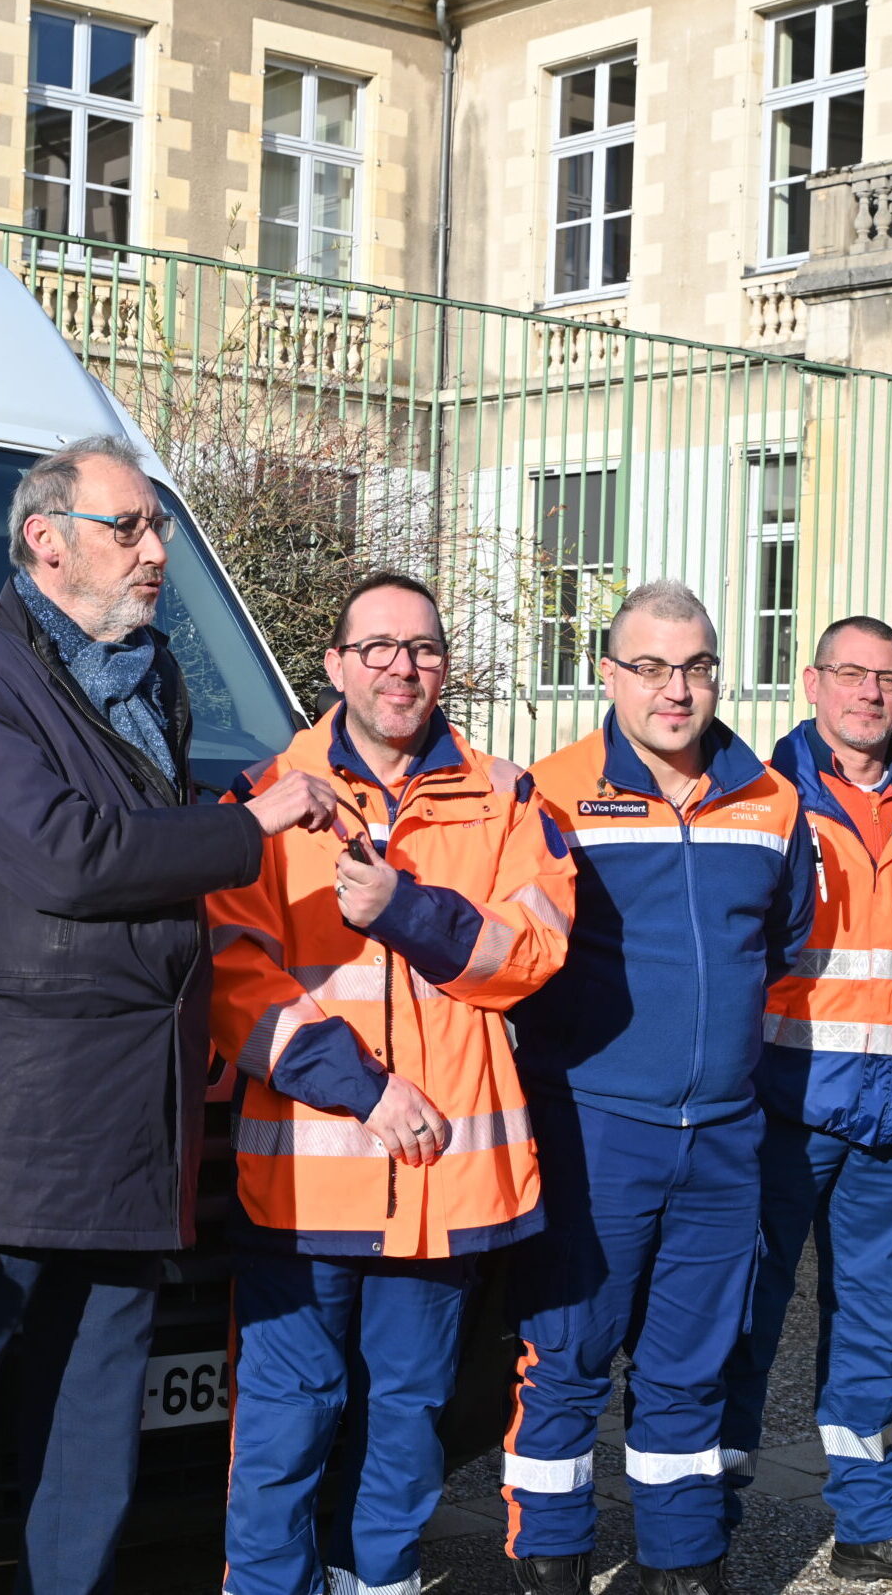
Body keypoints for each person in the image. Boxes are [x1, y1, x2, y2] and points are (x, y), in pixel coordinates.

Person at [0, 436, 336, 1595]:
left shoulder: (152, 671)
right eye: (131, 526)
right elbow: (67, 857)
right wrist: (252, 824)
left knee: (92, 1436)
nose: (155, 549)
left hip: (136, 1123)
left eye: (157, 526)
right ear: (46, 539)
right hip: (6, 1130)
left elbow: (133, 843)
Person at [209, 572, 575, 1595]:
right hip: (304, 1183)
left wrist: (407, 909)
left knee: (407, 1416)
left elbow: (535, 950)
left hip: (444, 1180)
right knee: (287, 1418)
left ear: (443, 666)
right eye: (374, 646)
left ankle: (379, 1579)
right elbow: (233, 975)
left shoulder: (506, 798)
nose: (399, 666)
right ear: (331, 665)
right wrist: (363, 1090)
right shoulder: (265, 797)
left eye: (419, 647)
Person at [502, 578, 816, 1595]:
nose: (673, 689)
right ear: (607, 673)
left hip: (721, 1134)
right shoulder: (548, 791)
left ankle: (679, 1562)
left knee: (691, 1365)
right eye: (648, 666)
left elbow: (781, 940)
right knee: (566, 1355)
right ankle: (549, 1558)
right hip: (593, 1126)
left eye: (693, 666)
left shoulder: (770, 799)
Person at [720, 618, 892, 1595]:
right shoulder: (758, 794)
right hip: (778, 1110)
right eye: (849, 673)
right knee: (740, 1320)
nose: (868, 691)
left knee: (876, 1330)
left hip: (891, 1121)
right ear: (810, 681)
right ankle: (701, 1523)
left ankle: (871, 1524)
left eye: (885, 676)